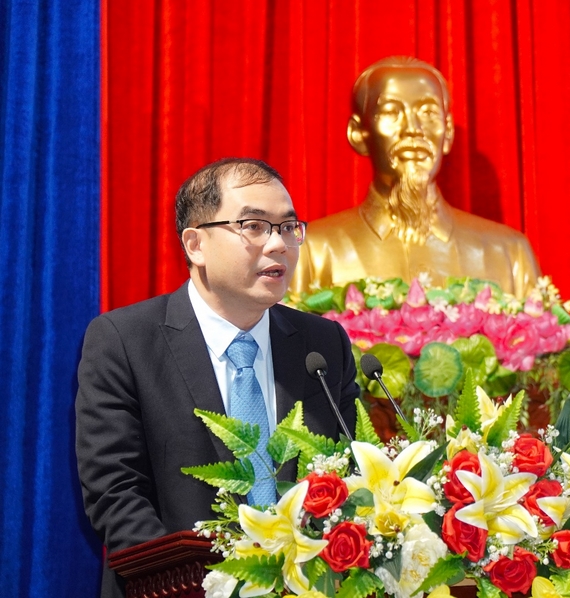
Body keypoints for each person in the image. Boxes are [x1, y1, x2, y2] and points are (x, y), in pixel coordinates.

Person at [75, 158, 358, 598]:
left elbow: (348, 475)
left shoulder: (322, 345)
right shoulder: (124, 342)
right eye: (254, 226)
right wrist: (201, 583)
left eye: (288, 227)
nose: (278, 244)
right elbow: (116, 493)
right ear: (196, 245)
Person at [290, 56, 541, 298]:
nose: (413, 129)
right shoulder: (313, 250)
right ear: (358, 134)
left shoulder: (509, 254)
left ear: (448, 132)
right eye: (391, 112)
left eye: (428, 113)